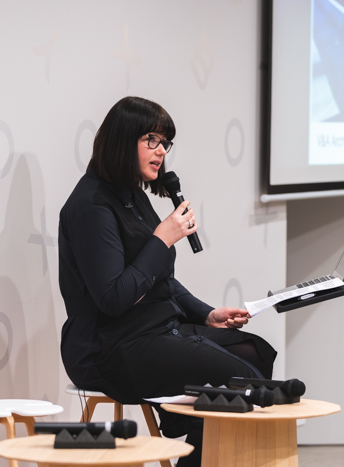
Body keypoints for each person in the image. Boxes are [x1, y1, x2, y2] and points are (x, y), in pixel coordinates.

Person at [58, 96, 276, 466]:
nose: (161, 151)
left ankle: (201, 445)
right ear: (122, 140)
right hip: (109, 347)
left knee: (252, 351)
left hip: (152, 330)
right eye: (151, 140)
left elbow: (161, 281)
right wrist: (161, 240)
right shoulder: (92, 206)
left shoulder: (132, 195)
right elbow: (113, 298)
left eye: (164, 142)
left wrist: (206, 314)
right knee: (240, 380)